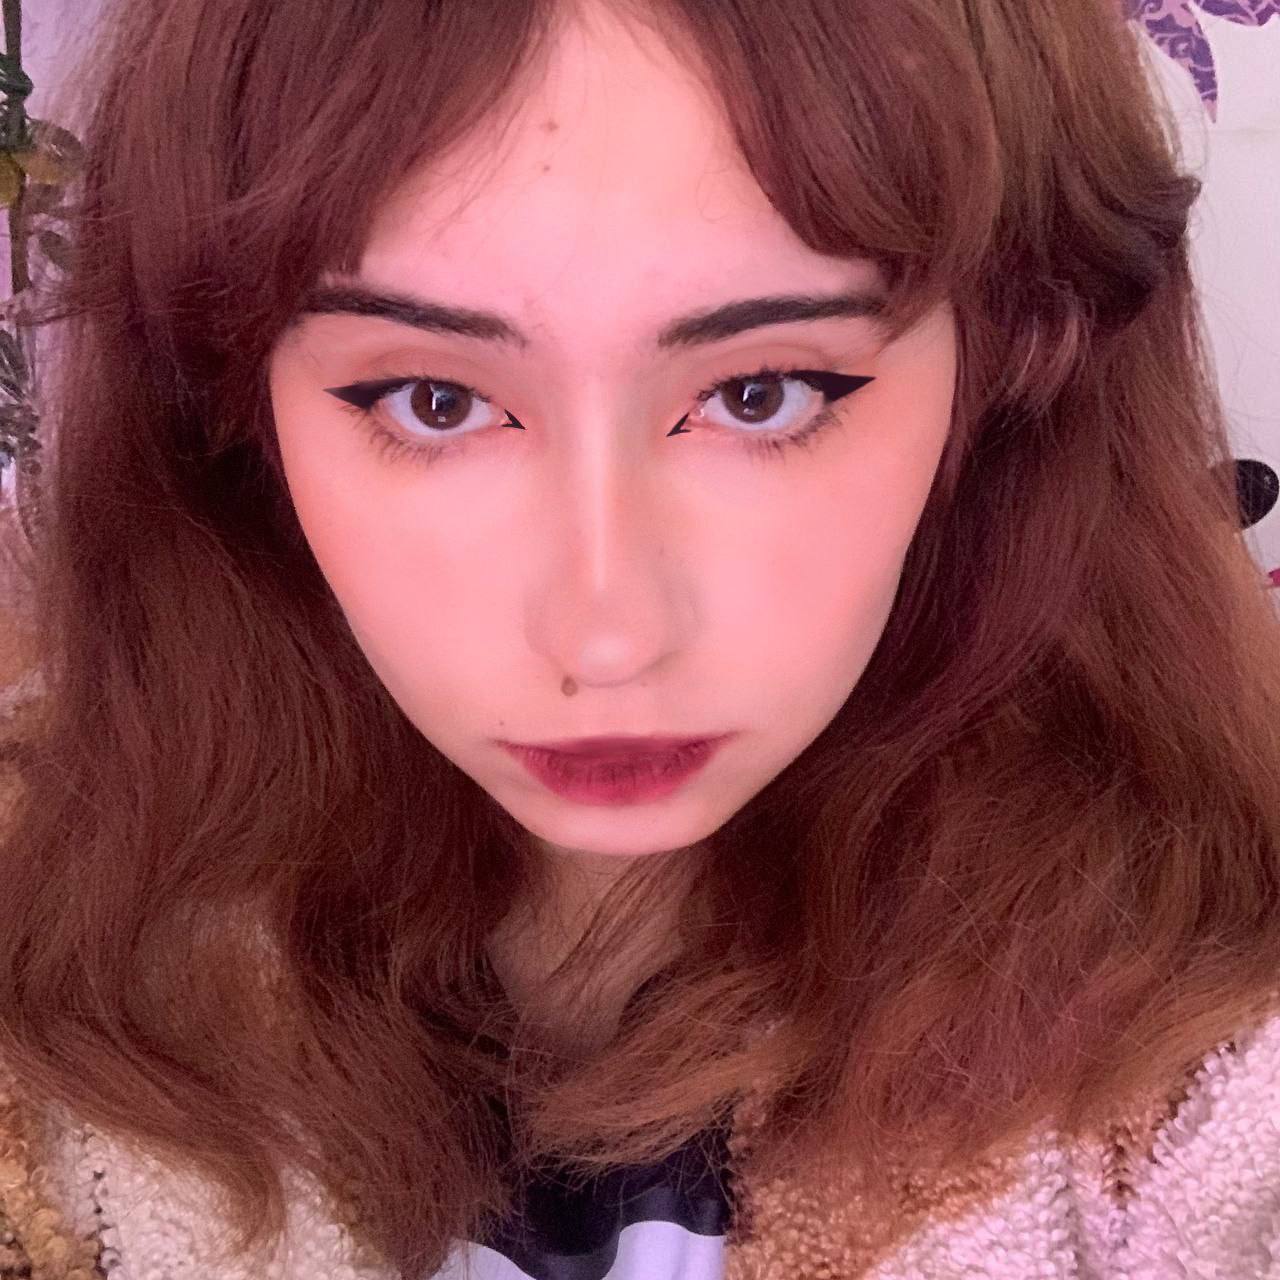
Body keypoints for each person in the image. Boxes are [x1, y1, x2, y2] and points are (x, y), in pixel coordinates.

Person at [1, 0, 1279, 1276]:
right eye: (434, 400)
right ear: (234, 417)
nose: (606, 637)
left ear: (999, 375)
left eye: (759, 394)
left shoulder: (1204, 1055)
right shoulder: (55, 948)